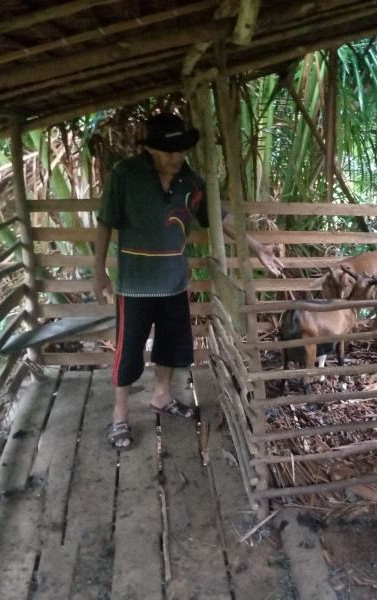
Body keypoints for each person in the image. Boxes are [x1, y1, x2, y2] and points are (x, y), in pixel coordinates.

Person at [94, 113, 283, 450]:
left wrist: (257, 247)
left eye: (182, 151)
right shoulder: (125, 175)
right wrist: (98, 271)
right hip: (134, 284)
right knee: (129, 350)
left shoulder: (190, 181)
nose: (177, 157)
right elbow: (105, 222)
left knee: (170, 344)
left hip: (175, 282)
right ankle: (119, 415)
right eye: (170, 152)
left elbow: (218, 217)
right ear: (151, 149)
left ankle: (162, 396)